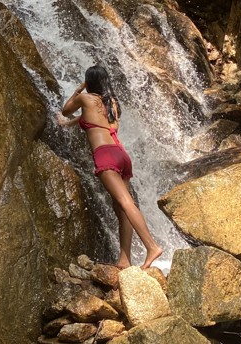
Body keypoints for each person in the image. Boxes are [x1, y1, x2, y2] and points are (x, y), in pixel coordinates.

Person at [58, 64, 163, 269]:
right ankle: (125, 260)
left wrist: (79, 89)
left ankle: (152, 246)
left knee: (125, 203)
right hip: (121, 154)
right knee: (121, 207)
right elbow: (89, 120)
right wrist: (66, 124)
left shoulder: (85, 98)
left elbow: (66, 109)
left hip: (105, 155)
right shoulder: (111, 103)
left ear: (90, 82)